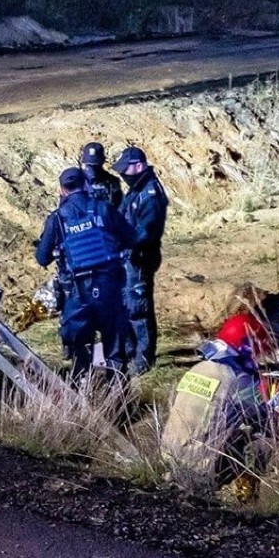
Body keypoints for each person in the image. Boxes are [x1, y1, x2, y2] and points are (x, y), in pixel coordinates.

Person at [34, 167, 136, 380]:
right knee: (115, 351)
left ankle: (84, 402)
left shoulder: (57, 219)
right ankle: (119, 403)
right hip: (109, 288)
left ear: (61, 190)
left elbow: (42, 258)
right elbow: (131, 239)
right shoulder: (103, 209)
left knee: (81, 351)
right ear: (86, 185)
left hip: (78, 293)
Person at [162, 313, 271, 492]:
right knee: (267, 443)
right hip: (201, 467)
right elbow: (263, 417)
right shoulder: (238, 379)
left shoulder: (198, 368)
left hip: (169, 455)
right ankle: (240, 494)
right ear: (247, 347)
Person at [112, 146, 169, 375]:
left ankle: (143, 360)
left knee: (138, 308)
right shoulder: (136, 189)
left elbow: (146, 232)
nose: (123, 175)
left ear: (139, 165)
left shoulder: (150, 194)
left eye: (126, 170)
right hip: (128, 257)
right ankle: (130, 351)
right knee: (126, 305)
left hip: (140, 258)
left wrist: (123, 241)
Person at [79, 142, 122, 208]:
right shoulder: (75, 182)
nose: (92, 169)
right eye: (89, 165)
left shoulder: (112, 182)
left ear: (102, 162)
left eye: (96, 165)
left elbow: (119, 209)